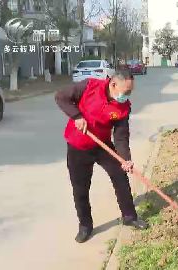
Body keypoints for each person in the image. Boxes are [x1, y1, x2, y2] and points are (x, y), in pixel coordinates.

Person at [55, 70, 148, 243]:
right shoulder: (89, 87)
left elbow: (121, 136)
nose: (127, 96)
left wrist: (125, 158)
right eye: (126, 91)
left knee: (120, 176)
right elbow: (61, 97)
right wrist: (77, 116)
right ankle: (85, 226)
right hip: (78, 146)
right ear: (113, 85)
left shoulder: (123, 107)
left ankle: (129, 216)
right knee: (80, 188)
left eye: (130, 92)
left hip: (102, 145)